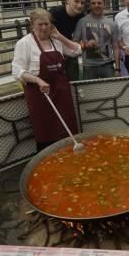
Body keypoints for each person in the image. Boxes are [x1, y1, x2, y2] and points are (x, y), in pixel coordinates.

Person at [11, 9, 82, 151]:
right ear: (32, 25)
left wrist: (60, 36)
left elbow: (77, 51)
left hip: (62, 94)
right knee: (46, 131)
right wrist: (37, 80)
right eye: (40, 24)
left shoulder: (56, 41)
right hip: (41, 95)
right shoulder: (24, 43)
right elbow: (17, 71)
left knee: (66, 129)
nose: (44, 28)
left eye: (47, 24)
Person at [73, 0, 119, 80]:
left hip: (107, 65)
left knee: (112, 91)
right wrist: (85, 45)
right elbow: (74, 43)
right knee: (90, 93)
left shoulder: (112, 23)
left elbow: (116, 47)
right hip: (88, 66)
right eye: (93, 3)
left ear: (104, 5)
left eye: (99, 3)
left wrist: (117, 68)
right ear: (89, 5)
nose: (96, 5)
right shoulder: (82, 22)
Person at [48, 0, 86, 81]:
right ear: (68, 0)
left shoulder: (82, 17)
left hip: (70, 52)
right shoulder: (54, 13)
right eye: (76, 1)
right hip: (54, 52)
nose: (79, 5)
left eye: (82, 3)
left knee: (73, 80)